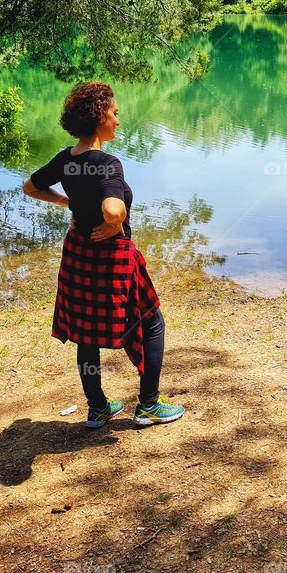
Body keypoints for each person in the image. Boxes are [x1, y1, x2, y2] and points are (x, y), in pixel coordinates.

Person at [23, 82, 184, 428]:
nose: (118, 120)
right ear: (99, 118)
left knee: (84, 330)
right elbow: (112, 210)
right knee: (152, 322)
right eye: (114, 113)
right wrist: (115, 221)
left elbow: (31, 186)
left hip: (79, 251)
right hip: (112, 257)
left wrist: (68, 202)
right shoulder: (107, 164)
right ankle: (149, 405)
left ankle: (98, 408)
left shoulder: (67, 160)